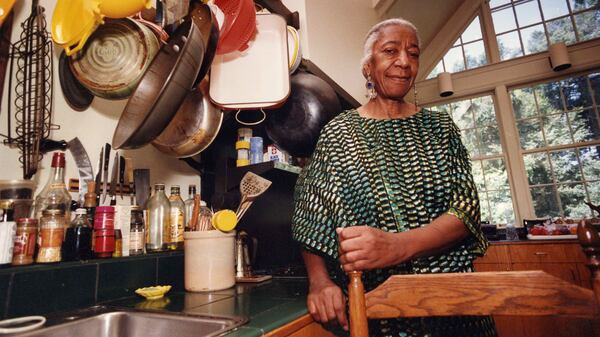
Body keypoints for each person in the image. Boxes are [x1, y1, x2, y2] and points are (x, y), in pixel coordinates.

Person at [291, 18, 497, 337]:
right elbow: (310, 216)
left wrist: (397, 247)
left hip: (454, 308)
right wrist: (320, 282)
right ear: (368, 67)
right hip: (380, 313)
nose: (404, 61)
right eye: (390, 51)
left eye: (413, 53)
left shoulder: (440, 129)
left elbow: (465, 211)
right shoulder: (339, 133)